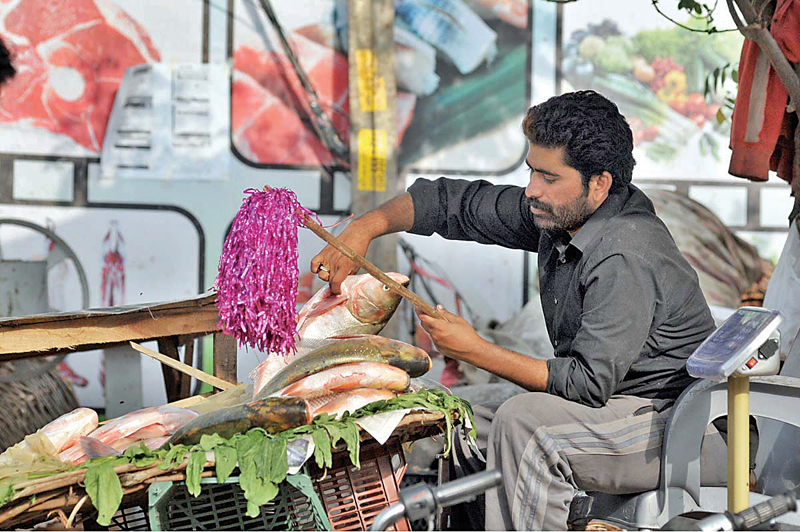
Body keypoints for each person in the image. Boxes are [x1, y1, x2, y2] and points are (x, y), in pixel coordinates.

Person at [311, 90, 727, 530]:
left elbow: (586, 385)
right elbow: (453, 204)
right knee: (458, 415)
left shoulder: (624, 252)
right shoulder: (565, 212)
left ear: (600, 183)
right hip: (620, 409)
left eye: (548, 177)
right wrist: (365, 228)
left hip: (680, 427)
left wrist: (476, 351)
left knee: (523, 424)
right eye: (531, 172)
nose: (531, 190)